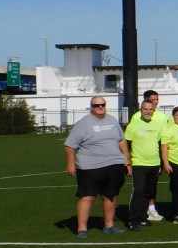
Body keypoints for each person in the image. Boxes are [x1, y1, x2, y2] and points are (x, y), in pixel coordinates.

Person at [64, 97, 131, 238]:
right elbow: (70, 145)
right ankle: (82, 229)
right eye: (96, 105)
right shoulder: (83, 123)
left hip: (114, 165)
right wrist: (71, 163)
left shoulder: (112, 120)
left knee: (110, 196)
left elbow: (121, 140)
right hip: (89, 167)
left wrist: (127, 159)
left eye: (102, 104)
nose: (100, 107)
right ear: (91, 107)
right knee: (87, 197)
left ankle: (109, 226)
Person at [124, 98, 165, 230]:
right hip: (139, 164)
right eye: (145, 109)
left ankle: (143, 217)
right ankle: (133, 220)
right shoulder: (133, 125)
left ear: (154, 110)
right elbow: (126, 145)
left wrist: (160, 164)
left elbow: (160, 145)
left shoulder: (157, 125)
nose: (148, 111)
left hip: (154, 164)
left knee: (148, 193)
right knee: (139, 192)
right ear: (141, 110)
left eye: (150, 109)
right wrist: (128, 162)